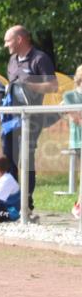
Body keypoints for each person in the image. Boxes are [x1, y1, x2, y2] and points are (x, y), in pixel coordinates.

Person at [0, 26, 57, 214]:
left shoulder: (40, 59)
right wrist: (0, 88)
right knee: (8, 161)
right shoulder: (12, 61)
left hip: (31, 119)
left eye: (7, 41)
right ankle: (10, 199)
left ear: (20, 40)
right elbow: (13, 89)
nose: (5, 45)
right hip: (10, 120)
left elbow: (53, 86)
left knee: (26, 159)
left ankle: (26, 201)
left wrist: (30, 85)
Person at [63, 65, 82, 220]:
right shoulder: (70, 95)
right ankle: (79, 206)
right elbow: (76, 118)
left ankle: (78, 205)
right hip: (79, 140)